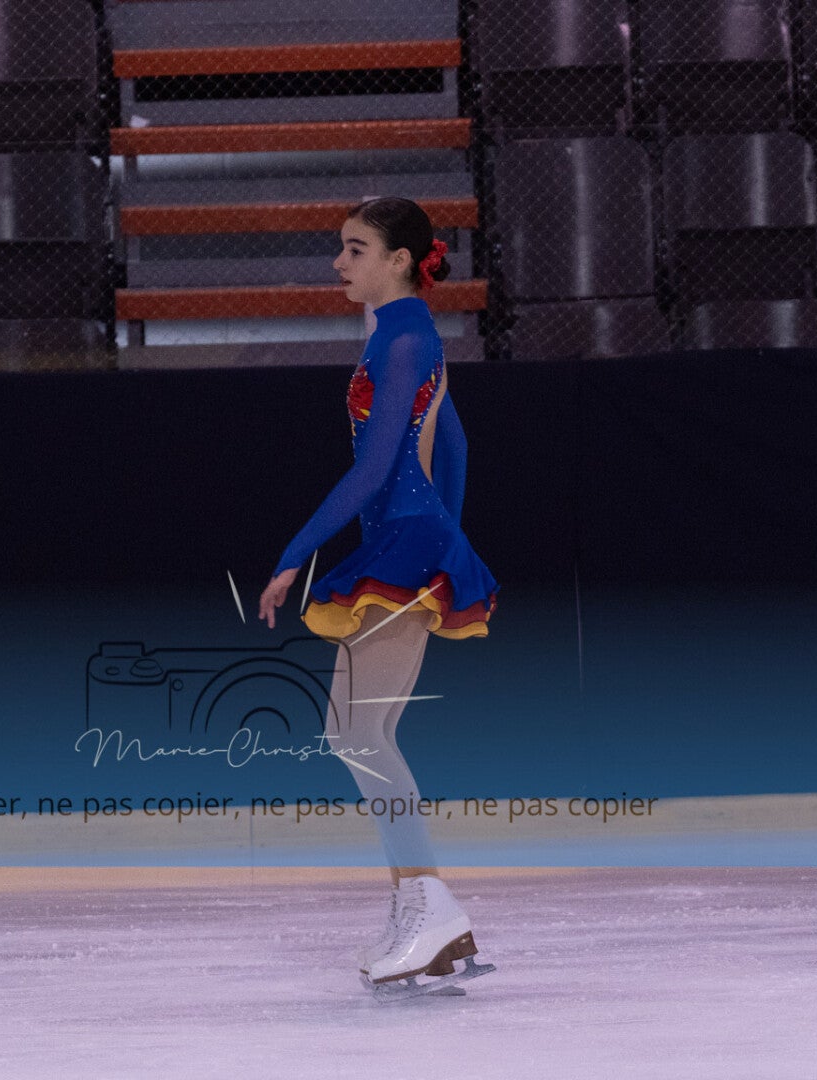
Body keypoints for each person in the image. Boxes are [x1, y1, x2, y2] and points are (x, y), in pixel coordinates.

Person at [256, 196, 499, 996]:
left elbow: (373, 468)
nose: (339, 262)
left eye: (355, 249)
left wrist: (294, 556)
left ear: (399, 260)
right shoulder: (401, 331)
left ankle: (430, 906)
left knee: (357, 734)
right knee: (357, 732)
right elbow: (455, 443)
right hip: (410, 542)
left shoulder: (405, 337)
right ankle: (418, 906)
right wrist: (444, 538)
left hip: (404, 546)